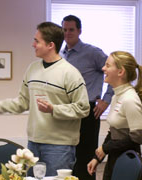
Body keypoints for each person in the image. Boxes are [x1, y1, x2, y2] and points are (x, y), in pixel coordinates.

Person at [0, 22, 90, 176]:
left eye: (37, 41)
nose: (32, 44)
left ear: (50, 45)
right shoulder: (32, 69)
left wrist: (53, 109)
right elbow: (22, 102)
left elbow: (83, 108)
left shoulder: (70, 73)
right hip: (33, 144)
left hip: (60, 147)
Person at [61, 15, 114, 180]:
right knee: (68, 158)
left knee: (85, 158)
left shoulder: (92, 53)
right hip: (66, 111)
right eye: (64, 30)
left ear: (79, 31)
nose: (67, 33)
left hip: (88, 111)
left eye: (71, 29)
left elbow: (116, 71)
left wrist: (106, 99)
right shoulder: (61, 54)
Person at [87, 51, 142, 180]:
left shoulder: (130, 99)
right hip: (115, 159)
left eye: (108, 65)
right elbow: (114, 132)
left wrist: (105, 148)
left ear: (120, 72)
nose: (103, 68)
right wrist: (98, 158)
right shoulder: (117, 96)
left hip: (127, 163)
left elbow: (137, 138)